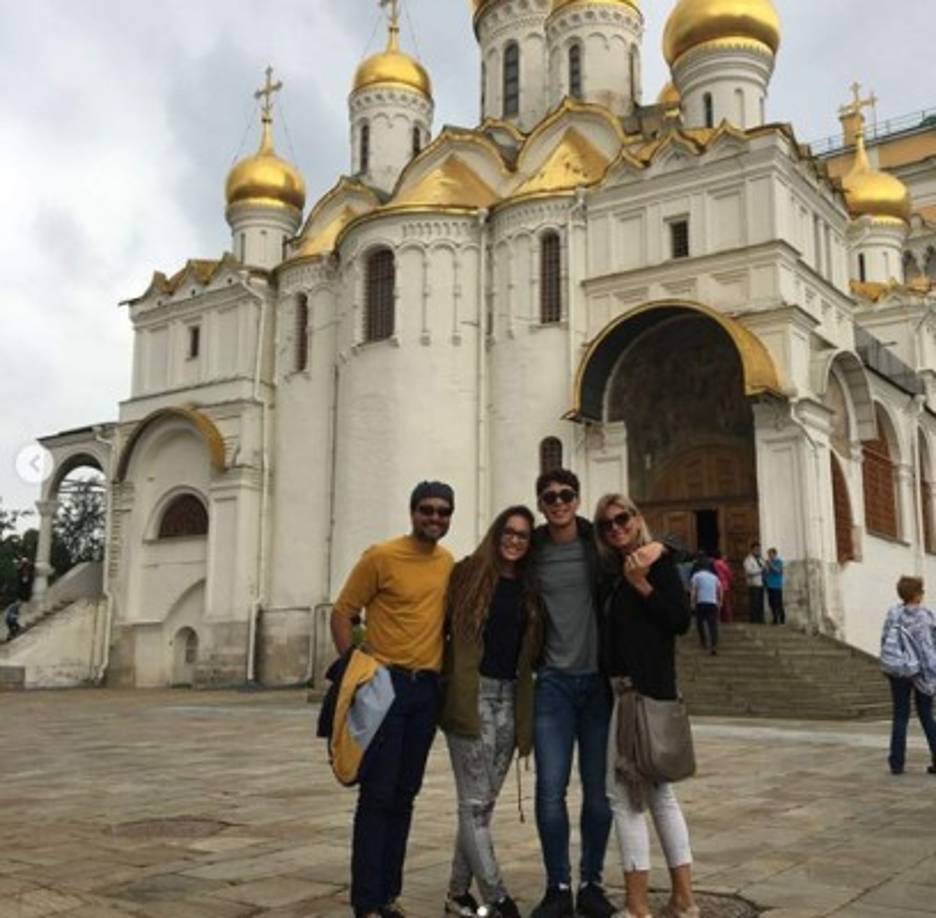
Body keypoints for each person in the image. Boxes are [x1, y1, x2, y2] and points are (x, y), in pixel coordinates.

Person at [330, 481, 456, 918]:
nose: (435, 518)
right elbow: (343, 612)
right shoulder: (381, 557)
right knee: (378, 795)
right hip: (386, 685)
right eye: (427, 510)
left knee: (405, 794)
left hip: (426, 690)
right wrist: (353, 671)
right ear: (412, 511)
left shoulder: (447, 563)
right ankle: (366, 901)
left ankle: (388, 895)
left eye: (443, 512)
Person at [594, 493, 699, 918]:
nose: (616, 528)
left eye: (622, 519)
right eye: (607, 525)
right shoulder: (616, 571)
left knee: (623, 797)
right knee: (658, 794)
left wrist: (643, 583)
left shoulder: (654, 567)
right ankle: (683, 899)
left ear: (637, 519)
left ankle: (638, 906)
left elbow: (680, 620)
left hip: (639, 695)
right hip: (632, 692)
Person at [440, 506, 543, 918]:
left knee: (481, 806)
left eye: (523, 535)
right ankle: (497, 898)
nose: (515, 540)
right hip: (472, 696)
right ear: (497, 533)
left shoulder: (529, 587)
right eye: (509, 532)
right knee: (474, 803)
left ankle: (456, 895)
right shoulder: (468, 574)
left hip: (510, 699)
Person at [530, 469, 616, 918]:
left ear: (578, 500)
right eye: (550, 497)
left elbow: (638, 546)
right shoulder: (533, 551)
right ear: (541, 504)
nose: (559, 502)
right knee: (550, 789)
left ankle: (591, 883)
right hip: (553, 684)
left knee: (599, 793)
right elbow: (492, 566)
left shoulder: (597, 544)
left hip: (597, 683)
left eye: (566, 495)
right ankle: (558, 886)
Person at [881, 576, 936, 776]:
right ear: (916, 595)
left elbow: (885, 640)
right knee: (926, 714)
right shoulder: (927, 616)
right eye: (921, 591)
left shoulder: (893, 614)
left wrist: (891, 664)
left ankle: (896, 763)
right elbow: (931, 646)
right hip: (922, 671)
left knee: (900, 715)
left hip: (898, 670)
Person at [690, 560, 722, 655]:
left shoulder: (696, 576)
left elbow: (694, 590)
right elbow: (719, 590)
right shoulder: (714, 577)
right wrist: (720, 601)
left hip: (701, 602)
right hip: (712, 602)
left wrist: (692, 602)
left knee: (700, 623)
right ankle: (713, 645)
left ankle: (703, 641)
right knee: (713, 625)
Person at [742, 543, 765, 624]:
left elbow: (764, 567)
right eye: (756, 550)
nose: (758, 551)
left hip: (761, 583)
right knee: (754, 603)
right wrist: (761, 570)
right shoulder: (748, 560)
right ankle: (754, 620)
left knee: (760, 603)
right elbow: (749, 571)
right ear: (752, 550)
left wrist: (765, 569)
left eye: (759, 549)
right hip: (753, 584)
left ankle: (760, 619)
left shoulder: (761, 559)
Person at [711, 551, 733, 624]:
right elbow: (728, 574)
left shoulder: (712, 564)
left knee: (717, 603)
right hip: (724, 585)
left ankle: (717, 619)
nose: (726, 557)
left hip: (715, 585)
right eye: (725, 556)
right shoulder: (722, 564)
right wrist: (730, 580)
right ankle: (728, 619)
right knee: (726, 603)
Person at [764, 548, 785, 625]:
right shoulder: (768, 563)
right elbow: (766, 573)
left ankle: (782, 619)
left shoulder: (779, 562)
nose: (770, 556)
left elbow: (778, 571)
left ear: (775, 554)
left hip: (777, 585)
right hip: (770, 585)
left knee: (778, 603)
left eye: (771, 554)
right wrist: (766, 568)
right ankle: (775, 619)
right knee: (771, 603)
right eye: (769, 555)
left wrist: (770, 565)